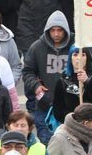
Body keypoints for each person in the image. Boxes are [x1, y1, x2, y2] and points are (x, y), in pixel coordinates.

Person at [22, 11, 73, 144]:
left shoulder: (75, 47)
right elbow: (27, 71)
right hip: (46, 107)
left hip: (70, 106)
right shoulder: (37, 47)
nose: (56, 34)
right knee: (47, 145)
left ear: (65, 30)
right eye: (53, 30)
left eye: (60, 30)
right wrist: (36, 86)